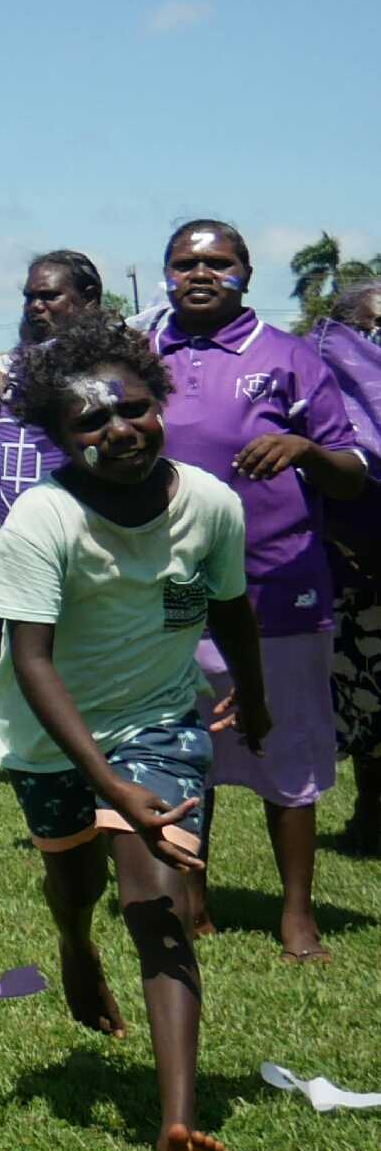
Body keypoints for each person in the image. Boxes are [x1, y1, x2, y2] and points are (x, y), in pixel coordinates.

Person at [0, 315, 267, 1151]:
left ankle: (178, 1121)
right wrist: (104, 784)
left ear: (158, 401)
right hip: (48, 732)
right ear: (60, 437)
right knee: (76, 885)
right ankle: (71, 944)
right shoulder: (42, 517)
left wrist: (254, 689)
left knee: (157, 897)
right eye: (90, 423)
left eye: (131, 409)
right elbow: (30, 660)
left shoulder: (211, 503)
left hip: (160, 719)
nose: (118, 430)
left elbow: (231, 606)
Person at [145, 220, 367, 961]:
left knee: (287, 743)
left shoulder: (287, 357)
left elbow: (355, 467)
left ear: (246, 271)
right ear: (167, 273)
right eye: (184, 263)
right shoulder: (143, 357)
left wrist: (306, 448)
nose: (199, 274)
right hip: (174, 585)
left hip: (281, 583)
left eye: (217, 262)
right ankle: (193, 896)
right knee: (185, 741)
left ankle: (296, 915)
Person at [0, 252, 108, 671]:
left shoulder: (110, 369)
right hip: (19, 537)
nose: (35, 306)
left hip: (94, 532)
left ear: (88, 300)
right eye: (29, 297)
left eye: (49, 296)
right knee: (22, 647)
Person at [311, 282, 381, 855]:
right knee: (364, 703)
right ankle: (371, 812)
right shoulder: (322, 383)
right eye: (372, 327)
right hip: (351, 574)